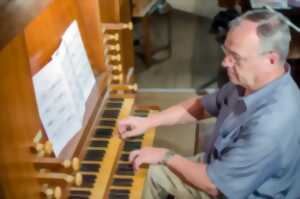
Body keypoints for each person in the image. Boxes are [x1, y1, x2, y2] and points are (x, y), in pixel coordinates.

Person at [118, 9, 300, 199]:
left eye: (235, 57)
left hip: (228, 188)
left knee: (146, 175)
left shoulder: (271, 126)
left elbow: (215, 186)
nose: (225, 63)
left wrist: (166, 156)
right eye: (226, 52)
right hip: (221, 166)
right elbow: (201, 107)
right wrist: (149, 122)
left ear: (270, 60)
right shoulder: (250, 80)